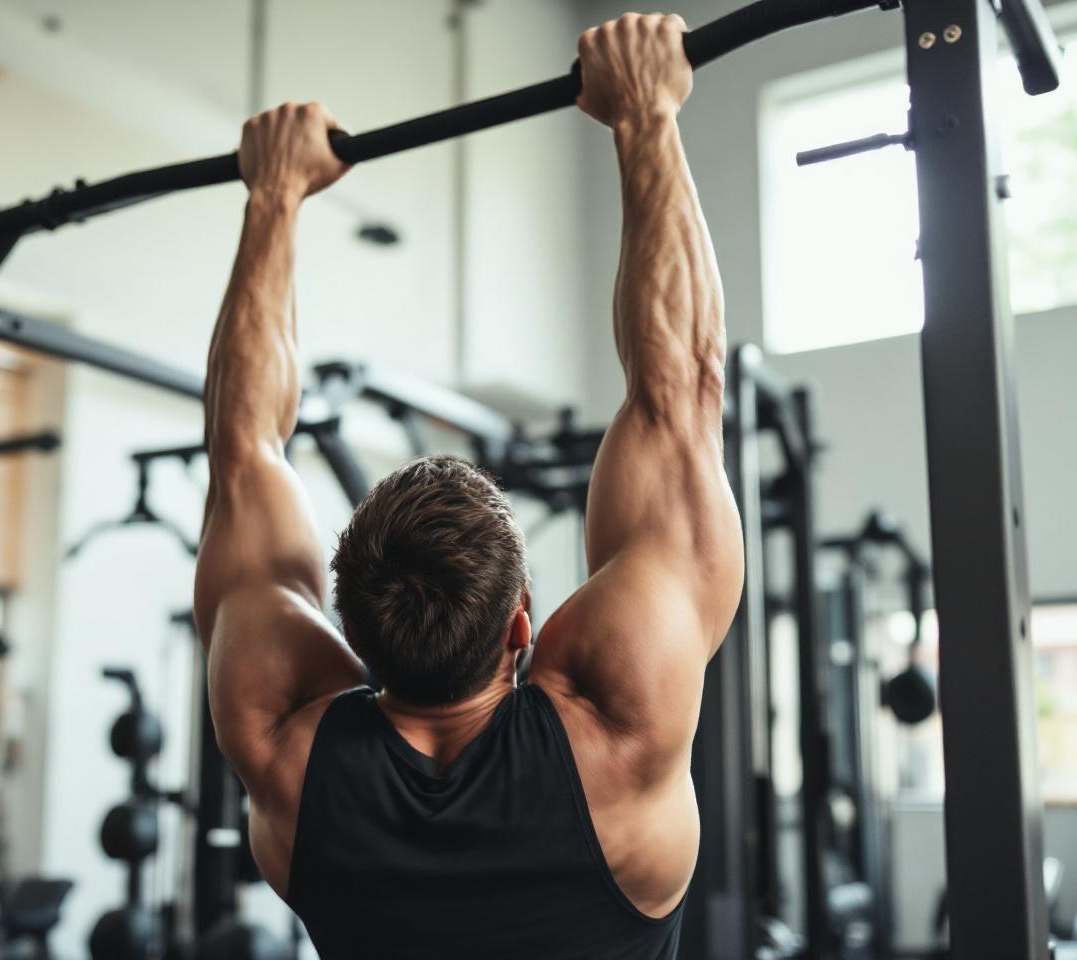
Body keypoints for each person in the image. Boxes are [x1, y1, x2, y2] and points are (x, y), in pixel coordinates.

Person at [194, 12, 742, 958]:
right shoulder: (619, 735)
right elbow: (679, 395)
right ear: (522, 624)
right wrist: (645, 113)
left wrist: (273, 197)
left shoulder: (283, 749)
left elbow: (245, 447)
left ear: (348, 638)